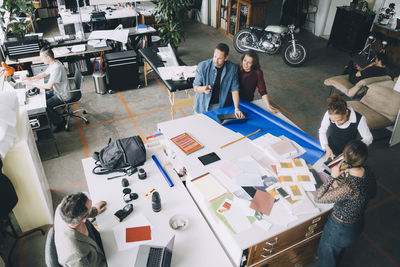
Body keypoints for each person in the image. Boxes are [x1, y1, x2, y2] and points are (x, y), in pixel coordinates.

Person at [315, 140, 376, 267]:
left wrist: (332, 177)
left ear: (344, 156)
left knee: (326, 258)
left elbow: (319, 197)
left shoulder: (349, 187)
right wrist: (342, 189)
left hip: (339, 228)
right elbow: (372, 193)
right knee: (337, 254)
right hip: (356, 224)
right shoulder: (368, 171)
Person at [22, 47, 74, 133]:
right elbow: (44, 73)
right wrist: (30, 78)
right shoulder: (54, 63)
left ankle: (60, 122)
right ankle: (54, 117)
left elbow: (49, 86)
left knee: (45, 106)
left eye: (42, 58)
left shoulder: (56, 68)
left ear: (48, 58)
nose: (41, 60)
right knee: (40, 98)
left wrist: (32, 84)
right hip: (57, 91)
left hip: (63, 95)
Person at [54, 192, 107, 267]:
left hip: (94, 243)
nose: (92, 207)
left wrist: (94, 210)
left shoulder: (62, 208)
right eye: (90, 207)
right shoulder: (77, 257)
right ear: (84, 219)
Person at [193, 43, 244, 118]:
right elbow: (195, 88)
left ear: (226, 58)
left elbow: (235, 89)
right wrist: (203, 89)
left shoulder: (232, 68)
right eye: (215, 56)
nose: (216, 61)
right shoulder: (202, 66)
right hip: (202, 106)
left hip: (220, 107)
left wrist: (236, 108)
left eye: (219, 58)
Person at [319, 94, 373, 160]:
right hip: (331, 147)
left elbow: (368, 138)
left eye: (340, 120)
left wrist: (354, 150)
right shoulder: (330, 113)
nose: (337, 123)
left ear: (346, 112)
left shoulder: (359, 119)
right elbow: (322, 131)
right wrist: (327, 147)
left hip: (349, 152)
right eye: (333, 121)